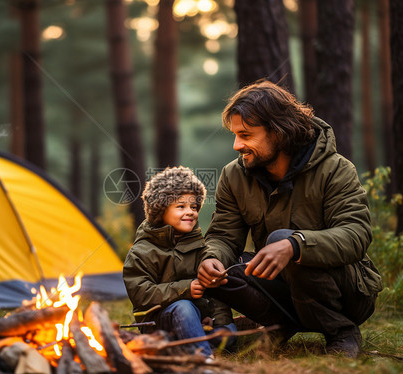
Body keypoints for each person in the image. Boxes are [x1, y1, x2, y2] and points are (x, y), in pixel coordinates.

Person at [197, 80, 383, 358]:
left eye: (246, 135)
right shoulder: (233, 176)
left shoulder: (336, 169)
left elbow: (356, 235)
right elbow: (224, 236)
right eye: (235, 135)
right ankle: (280, 324)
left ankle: (341, 332)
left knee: (284, 242)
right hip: (283, 288)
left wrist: (297, 245)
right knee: (226, 270)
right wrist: (212, 258)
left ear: (278, 132)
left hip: (347, 294)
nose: (237, 145)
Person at [123, 166, 237, 358]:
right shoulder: (142, 251)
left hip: (198, 317)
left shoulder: (199, 246)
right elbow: (141, 294)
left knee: (228, 337)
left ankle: (198, 337)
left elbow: (213, 291)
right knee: (183, 307)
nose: (190, 212)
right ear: (160, 209)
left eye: (194, 207)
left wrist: (220, 323)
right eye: (181, 206)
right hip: (157, 321)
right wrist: (185, 288)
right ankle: (203, 359)